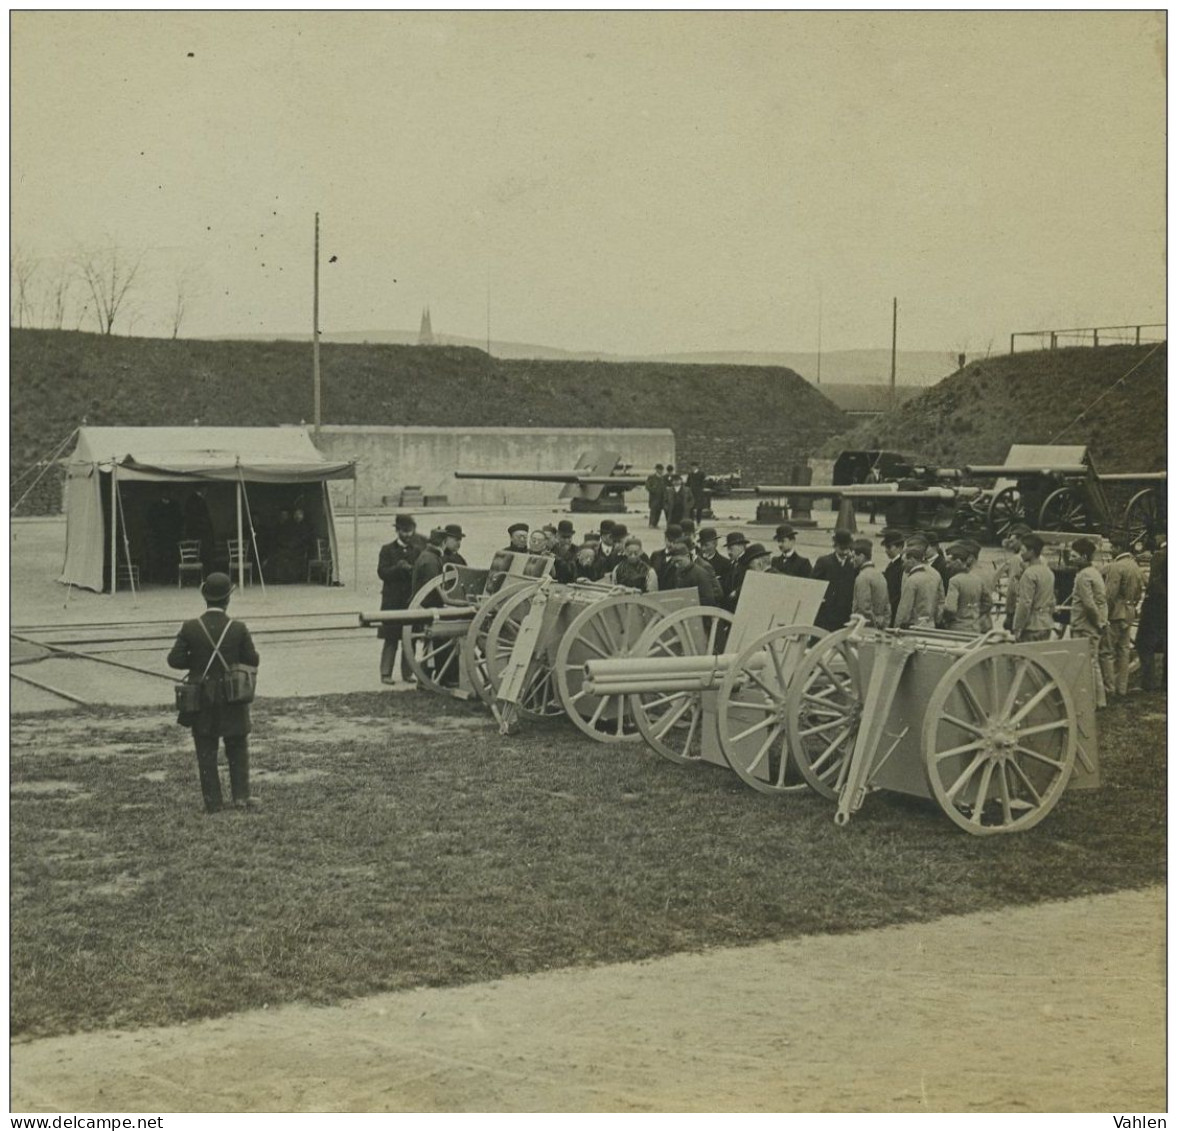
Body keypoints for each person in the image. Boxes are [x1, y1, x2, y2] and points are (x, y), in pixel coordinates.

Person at [167, 572, 260, 814]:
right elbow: (253, 659)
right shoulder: (238, 629)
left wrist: (197, 663)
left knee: (206, 749)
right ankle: (241, 797)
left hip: (202, 696)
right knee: (237, 745)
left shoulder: (190, 627)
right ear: (228, 599)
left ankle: (214, 802)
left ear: (205, 597)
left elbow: (174, 659)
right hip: (233, 695)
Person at [377, 514, 423, 684]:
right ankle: (386, 673)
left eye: (410, 531)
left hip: (410, 601)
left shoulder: (417, 551)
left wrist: (411, 570)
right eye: (404, 531)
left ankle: (407, 673)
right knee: (391, 638)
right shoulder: (387, 550)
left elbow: (419, 574)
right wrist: (397, 568)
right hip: (392, 602)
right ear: (397, 531)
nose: (408, 535)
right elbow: (382, 573)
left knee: (409, 639)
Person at [1069, 537, 1110, 708]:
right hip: (1091, 624)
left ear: (1084, 557)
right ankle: (1098, 700)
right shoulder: (1094, 572)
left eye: (1073, 555)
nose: (1070, 558)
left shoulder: (1083, 576)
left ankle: (1094, 701)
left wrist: (1098, 622)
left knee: (1089, 662)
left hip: (1085, 625)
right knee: (1092, 662)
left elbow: (1088, 603)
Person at [1102, 535, 1144, 698]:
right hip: (1129, 611)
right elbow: (1140, 591)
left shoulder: (1116, 566)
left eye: (1113, 547)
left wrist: (1105, 612)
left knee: (1107, 650)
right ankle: (1122, 688)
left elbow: (1110, 594)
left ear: (1119, 549)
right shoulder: (1136, 566)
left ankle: (1109, 687)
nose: (1111, 550)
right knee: (1124, 650)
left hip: (1116, 613)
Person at [1012, 533, 1056, 642]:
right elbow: (1052, 600)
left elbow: (1025, 604)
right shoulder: (1048, 572)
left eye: (1023, 550)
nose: (1021, 553)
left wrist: (1018, 627)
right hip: (1046, 624)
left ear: (1031, 552)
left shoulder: (1029, 574)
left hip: (1032, 626)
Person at [811, 528, 858, 631]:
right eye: (842, 548)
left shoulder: (853, 564)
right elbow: (814, 584)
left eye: (847, 548)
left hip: (845, 613)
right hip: (826, 614)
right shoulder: (824, 562)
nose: (845, 551)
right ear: (835, 546)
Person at [1136, 544, 1166, 693]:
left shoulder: (1160, 555)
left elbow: (1155, 584)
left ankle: (1148, 683)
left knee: (1145, 644)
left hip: (1156, 608)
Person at [894, 541, 945, 629]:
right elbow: (941, 601)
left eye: (904, 561)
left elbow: (905, 608)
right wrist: (937, 620)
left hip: (913, 626)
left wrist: (897, 626)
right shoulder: (936, 574)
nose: (903, 565)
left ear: (912, 560)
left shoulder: (912, 580)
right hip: (931, 625)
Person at [940, 542, 984, 634]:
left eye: (949, 563)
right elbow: (988, 603)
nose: (947, 566)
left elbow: (950, 608)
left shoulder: (955, 581)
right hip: (975, 627)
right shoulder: (977, 579)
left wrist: (943, 619)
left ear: (958, 562)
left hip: (957, 628)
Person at [664, 539, 720, 606]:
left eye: (679, 561)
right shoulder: (678, 572)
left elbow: (709, 600)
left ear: (687, 556)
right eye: (674, 562)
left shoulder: (700, 574)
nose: (676, 565)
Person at [850, 538, 890, 628]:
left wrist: (872, 624)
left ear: (861, 556)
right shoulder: (880, 574)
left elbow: (863, 608)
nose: (852, 560)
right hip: (880, 624)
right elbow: (887, 605)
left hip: (865, 627)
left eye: (854, 556)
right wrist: (883, 623)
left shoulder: (862, 577)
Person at [696, 528, 732, 603]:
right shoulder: (696, 561)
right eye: (701, 545)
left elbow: (725, 589)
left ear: (715, 543)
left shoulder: (725, 563)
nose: (703, 548)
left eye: (706, 545)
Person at [879, 528, 907, 626]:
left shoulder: (901, 567)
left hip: (893, 610)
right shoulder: (893, 564)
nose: (886, 550)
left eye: (889, 547)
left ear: (899, 547)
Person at [645, 464, 667, 529]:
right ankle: (651, 524)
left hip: (662, 497)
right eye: (659, 469)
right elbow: (647, 486)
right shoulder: (651, 477)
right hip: (654, 497)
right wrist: (653, 490)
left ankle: (655, 524)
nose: (661, 471)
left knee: (659, 511)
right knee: (653, 511)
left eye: (662, 470)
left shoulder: (663, 478)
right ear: (657, 470)